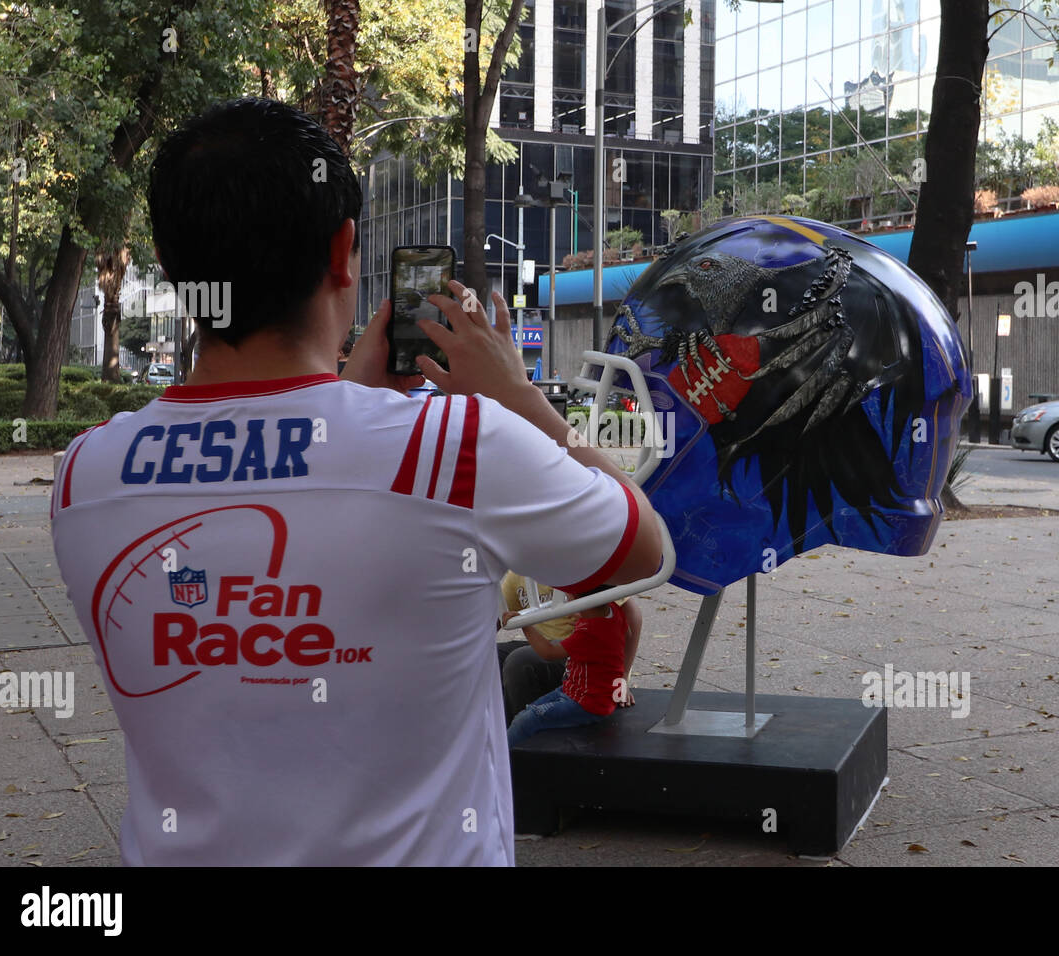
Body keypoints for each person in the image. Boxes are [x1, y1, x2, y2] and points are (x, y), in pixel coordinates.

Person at [48, 98, 662, 867]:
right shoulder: (457, 451)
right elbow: (643, 547)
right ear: (344, 253)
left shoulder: (85, 477)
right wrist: (521, 400)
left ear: (174, 270)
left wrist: (353, 397)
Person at [497, 571, 642, 725]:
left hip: (579, 653)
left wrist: (622, 676)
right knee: (491, 657)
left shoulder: (580, 565)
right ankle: (497, 730)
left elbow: (632, 615)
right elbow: (498, 616)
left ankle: (523, 738)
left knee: (519, 661)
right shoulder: (520, 571)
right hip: (542, 645)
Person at [505, 594, 628, 747]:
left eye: (569, 595)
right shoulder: (612, 610)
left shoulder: (589, 631)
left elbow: (548, 653)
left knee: (526, 720)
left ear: (582, 600)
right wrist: (621, 676)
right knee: (526, 713)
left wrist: (525, 624)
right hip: (575, 690)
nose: (565, 598)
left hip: (587, 704)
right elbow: (627, 633)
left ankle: (497, 762)